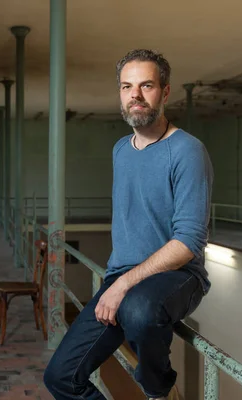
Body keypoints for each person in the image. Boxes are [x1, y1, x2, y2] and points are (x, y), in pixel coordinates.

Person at [43, 49, 214, 400]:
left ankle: (158, 390)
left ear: (165, 92)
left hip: (178, 276)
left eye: (146, 85)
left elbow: (189, 240)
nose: (134, 94)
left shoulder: (187, 151)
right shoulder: (121, 149)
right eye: (126, 86)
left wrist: (123, 286)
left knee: (138, 310)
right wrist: (119, 283)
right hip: (121, 277)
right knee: (60, 377)